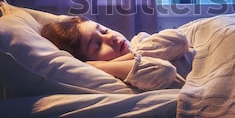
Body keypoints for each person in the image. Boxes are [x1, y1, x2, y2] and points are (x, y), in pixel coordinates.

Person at [41, 16, 193, 91]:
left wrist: (131, 53)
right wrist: (101, 67)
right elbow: (164, 71)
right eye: (98, 45)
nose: (110, 37)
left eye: (103, 30)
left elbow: (179, 40)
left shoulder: (139, 41)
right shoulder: (127, 75)